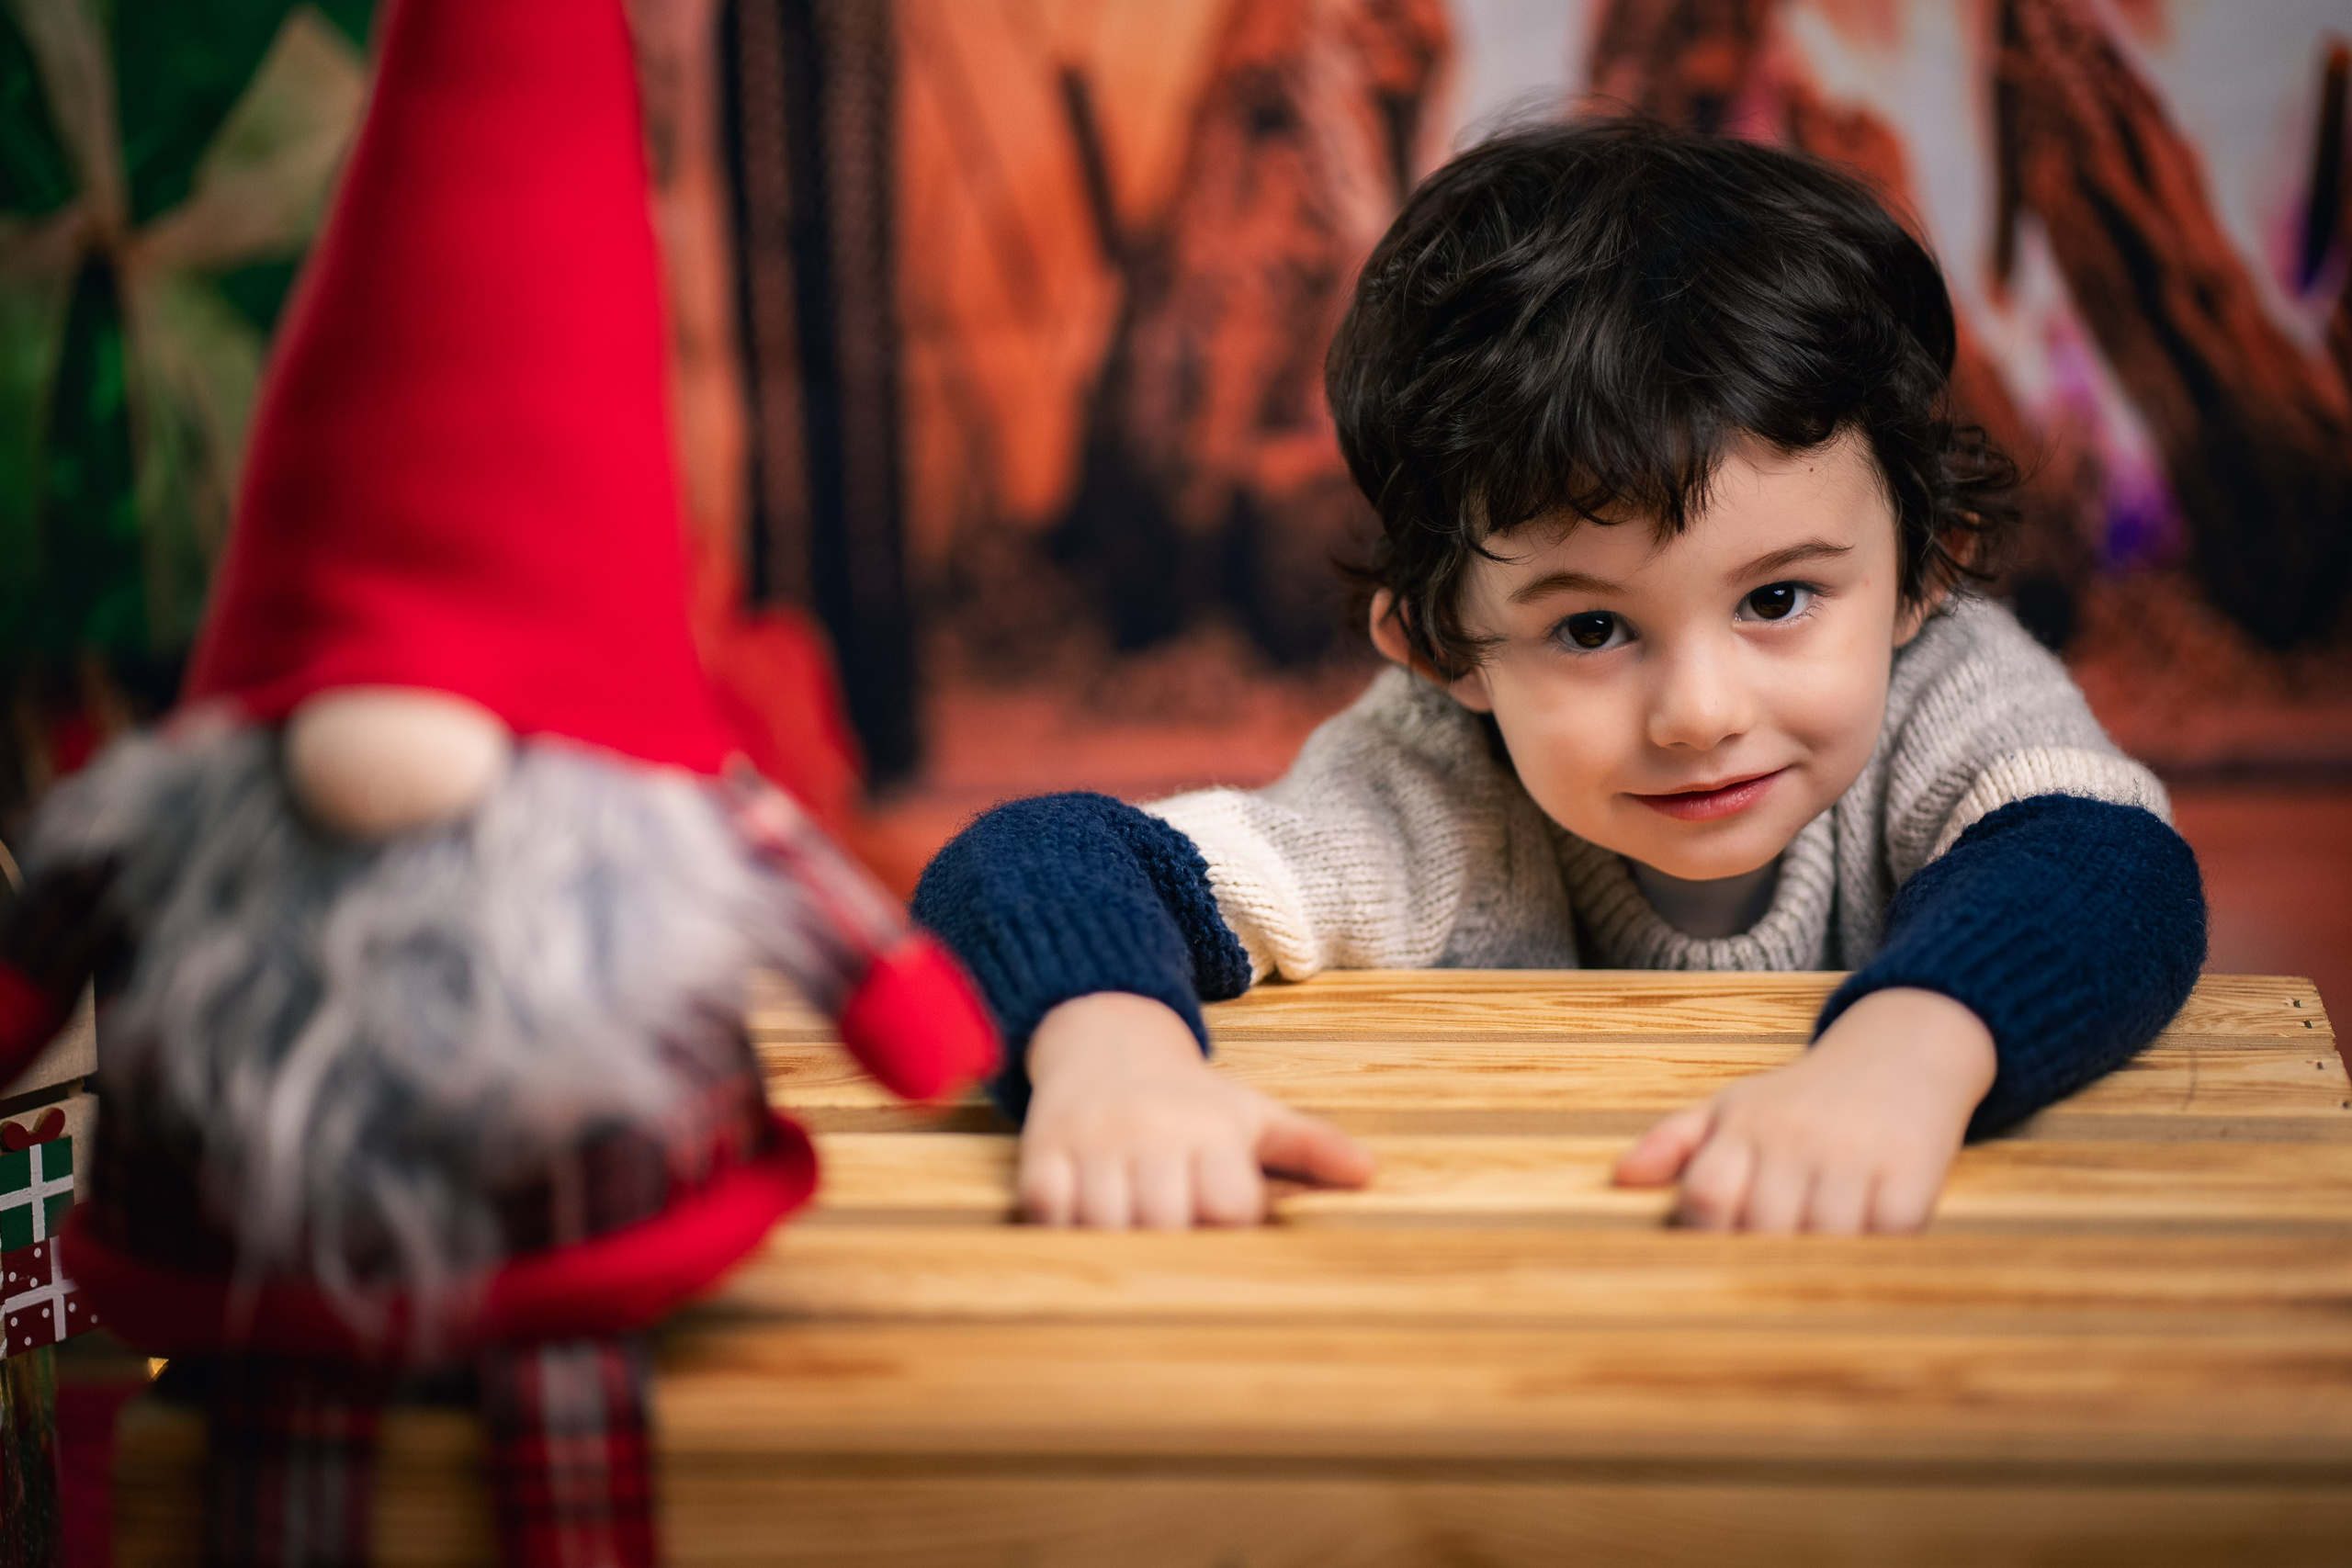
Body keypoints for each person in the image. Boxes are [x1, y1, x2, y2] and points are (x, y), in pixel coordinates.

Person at [913, 118, 2204, 1235]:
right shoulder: (1435, 789)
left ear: (1927, 572)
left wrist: (1914, 1051)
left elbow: (2110, 872)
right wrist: (1113, 1065)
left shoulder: (1952, 689)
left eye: (1776, 600)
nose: (1700, 713)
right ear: (1442, 650)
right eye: (1590, 630)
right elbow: (1037, 862)